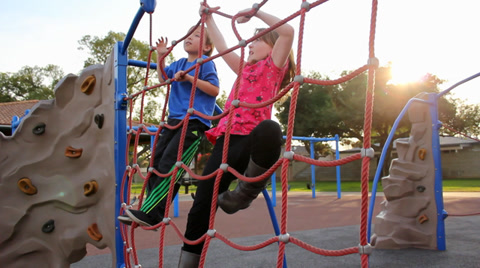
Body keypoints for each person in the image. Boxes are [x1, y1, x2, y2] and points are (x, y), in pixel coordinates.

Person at [177, 4, 296, 267]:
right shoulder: (244, 69)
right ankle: (187, 263)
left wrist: (255, 13)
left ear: (272, 46)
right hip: (227, 140)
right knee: (202, 204)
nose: (250, 44)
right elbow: (221, 46)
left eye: (257, 41)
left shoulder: (273, 66)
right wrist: (207, 19)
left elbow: (288, 31)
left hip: (253, 141)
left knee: (272, 129)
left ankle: (245, 192)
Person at [118, 25, 220, 227]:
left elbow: (214, 89)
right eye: (188, 35)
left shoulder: (205, 63)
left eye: (197, 35)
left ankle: (153, 215)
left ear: (207, 47)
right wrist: (161, 55)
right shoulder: (179, 62)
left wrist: (189, 77)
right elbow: (163, 77)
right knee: (155, 164)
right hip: (173, 121)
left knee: (170, 165)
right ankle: (147, 211)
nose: (189, 38)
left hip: (194, 122)